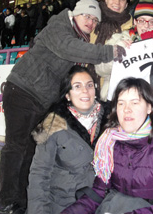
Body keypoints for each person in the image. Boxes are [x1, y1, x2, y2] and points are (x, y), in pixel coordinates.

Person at [0, 0, 127, 214]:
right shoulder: (60, 25)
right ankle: (7, 202)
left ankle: (21, 201)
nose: (91, 22)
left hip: (41, 100)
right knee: (16, 147)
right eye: (87, 16)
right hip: (22, 91)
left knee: (30, 150)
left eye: (95, 20)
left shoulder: (77, 37)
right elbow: (68, 48)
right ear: (75, 14)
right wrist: (109, 51)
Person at [62, 77, 153, 214]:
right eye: (121, 104)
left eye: (135, 103)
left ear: (149, 107)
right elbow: (99, 193)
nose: (127, 110)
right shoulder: (109, 141)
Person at [27, 65, 109, 214]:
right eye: (77, 86)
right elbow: (39, 174)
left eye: (89, 85)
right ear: (68, 95)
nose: (85, 90)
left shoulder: (112, 120)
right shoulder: (53, 124)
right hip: (64, 203)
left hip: (103, 202)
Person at [95, 0, 153, 101]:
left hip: (146, 100)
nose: (146, 26)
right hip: (116, 100)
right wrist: (117, 52)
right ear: (135, 21)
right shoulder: (118, 39)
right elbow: (99, 69)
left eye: (152, 22)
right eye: (142, 20)